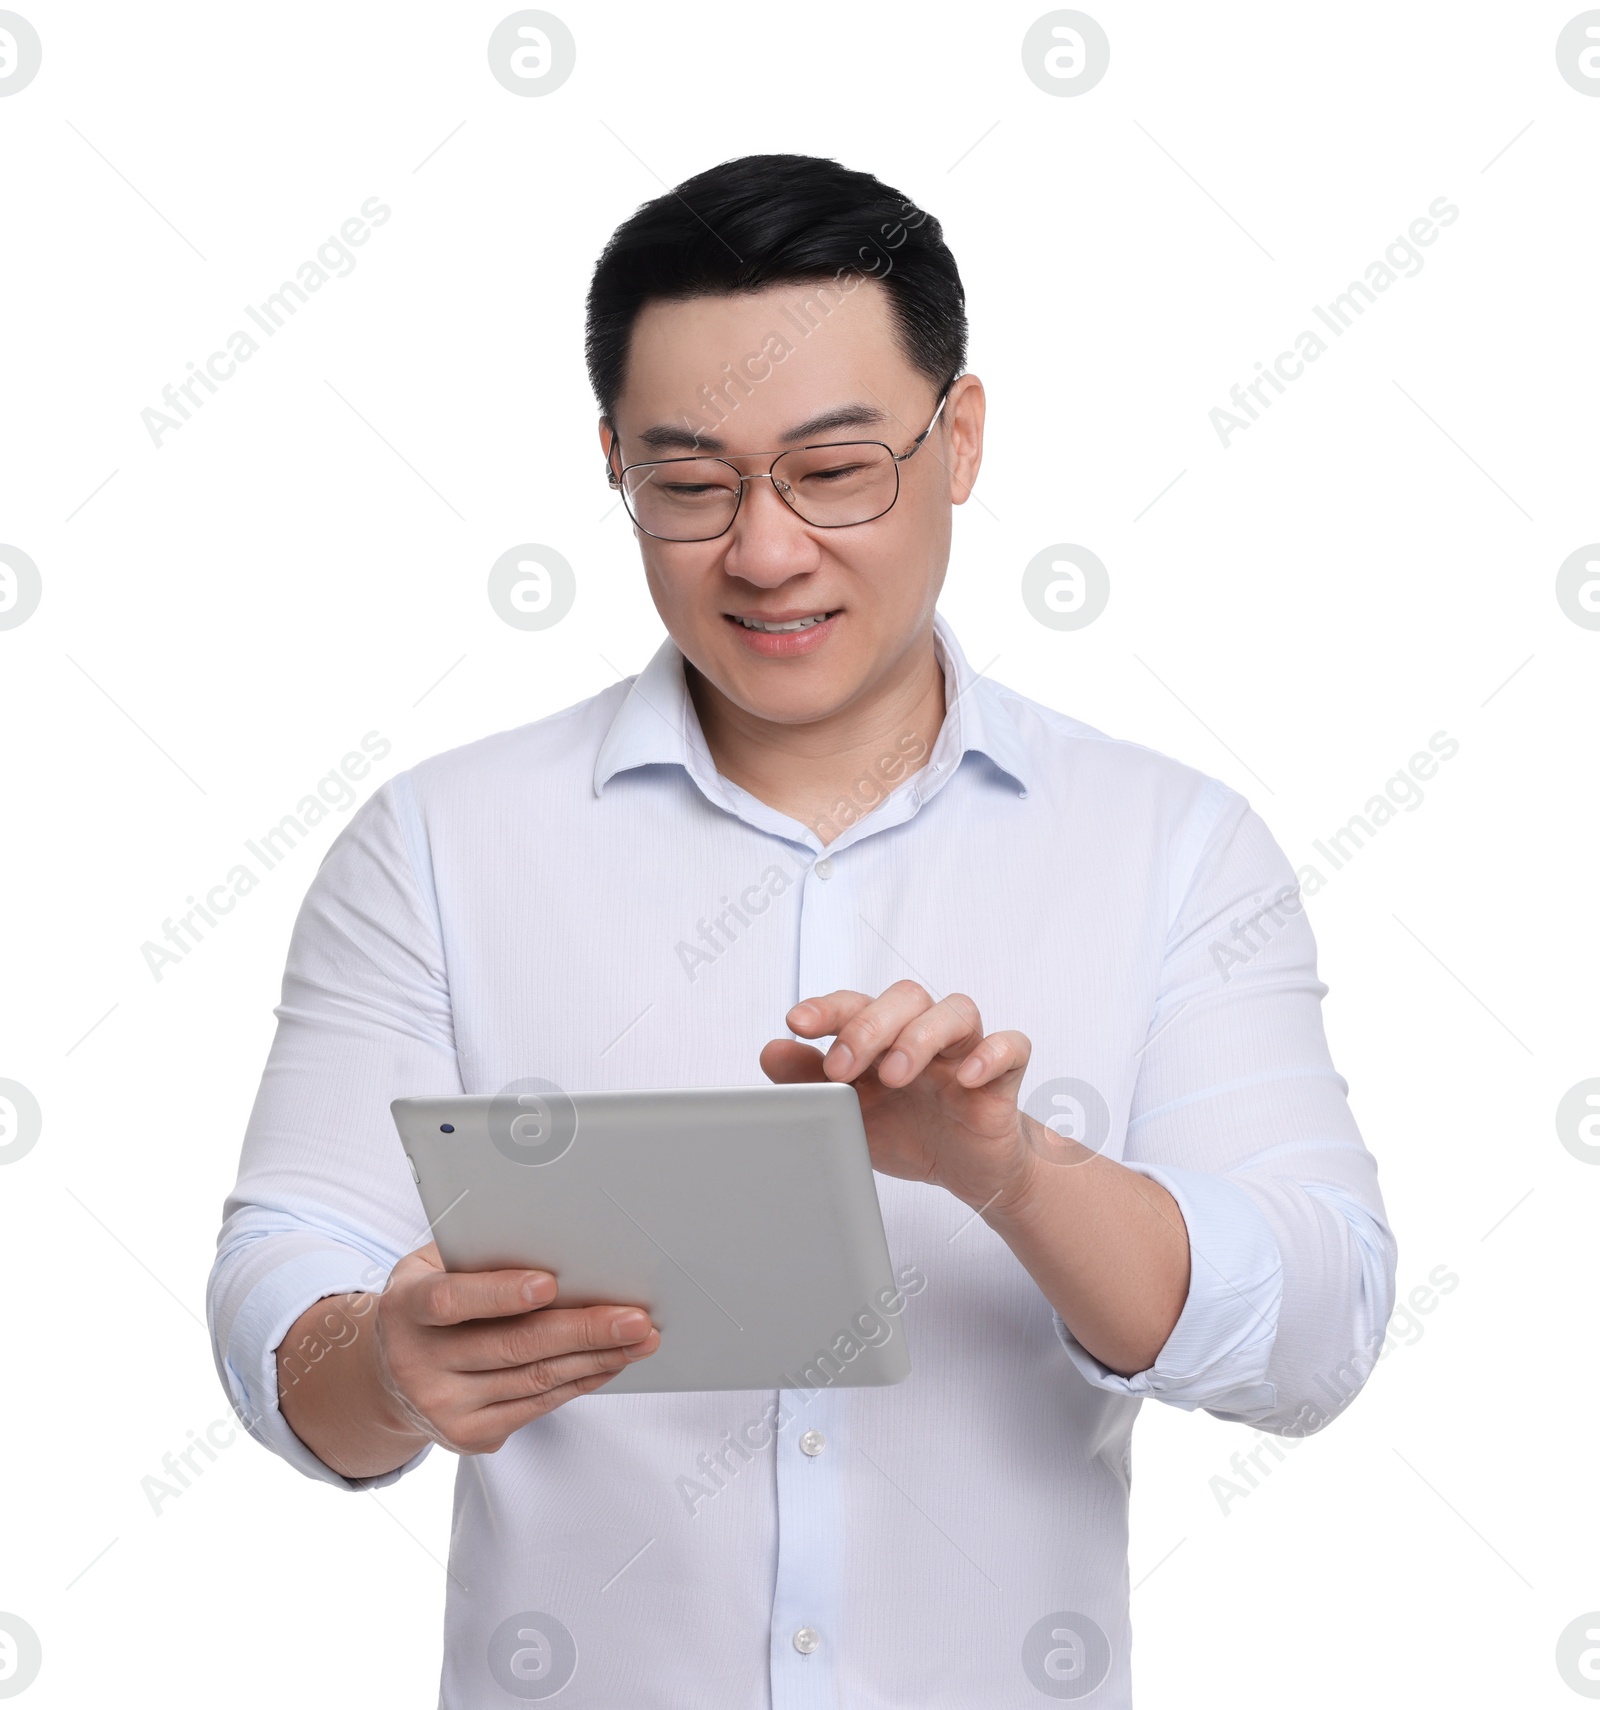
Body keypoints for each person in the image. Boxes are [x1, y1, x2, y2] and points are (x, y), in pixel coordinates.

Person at [207, 153, 1396, 1707]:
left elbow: (1318, 1331)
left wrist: (1007, 1169)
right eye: (689, 485)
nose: (764, 553)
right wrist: (380, 1361)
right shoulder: (438, 845)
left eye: (836, 471)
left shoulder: (1171, 847)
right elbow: (281, 1279)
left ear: (957, 439)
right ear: (614, 464)